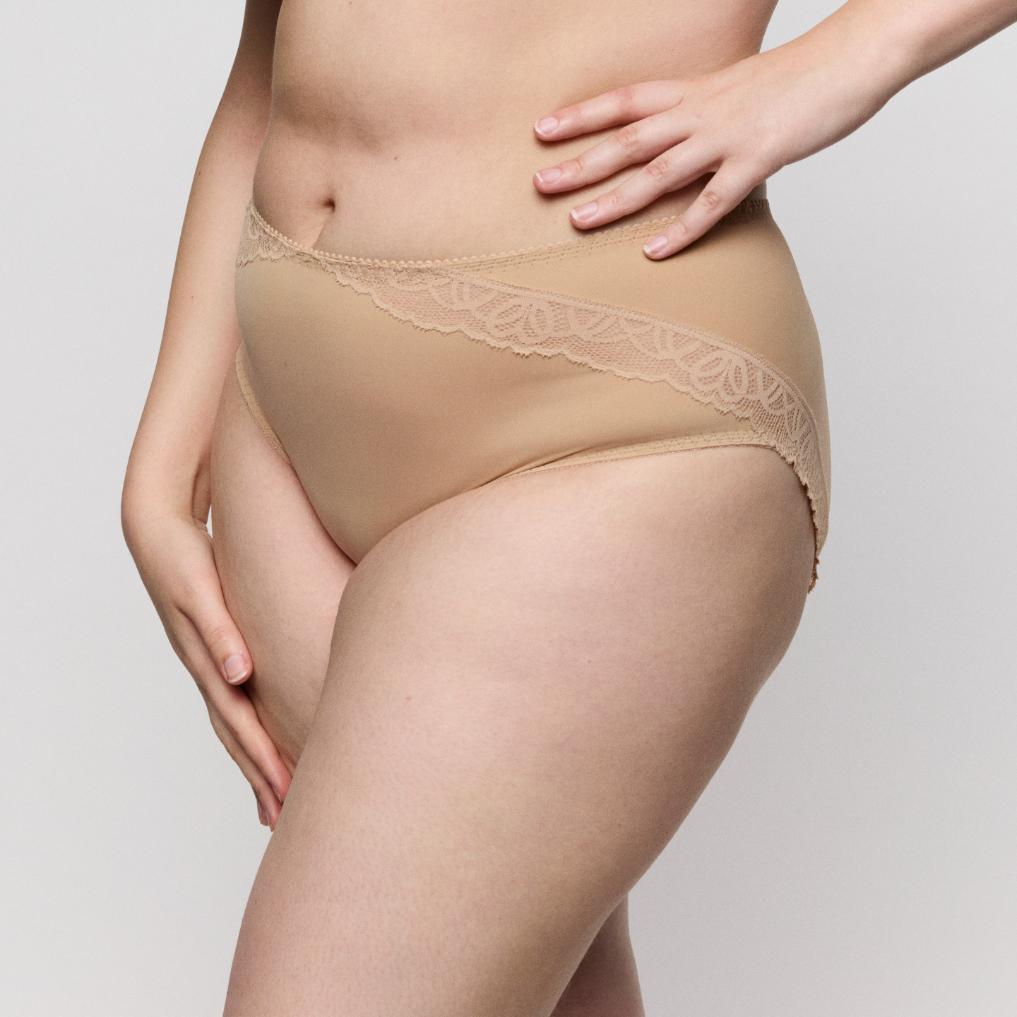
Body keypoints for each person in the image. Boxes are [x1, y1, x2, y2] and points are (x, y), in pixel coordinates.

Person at [121, 1, 1017, 1012]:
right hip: (281, 431)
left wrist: (848, 57)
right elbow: (266, 64)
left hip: (605, 414)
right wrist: (165, 465)